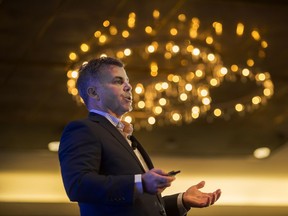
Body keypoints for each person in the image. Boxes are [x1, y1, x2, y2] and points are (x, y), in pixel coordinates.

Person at [58, 56, 221, 216]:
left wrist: (182, 201)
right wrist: (140, 182)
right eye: (118, 81)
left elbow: (142, 207)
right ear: (94, 93)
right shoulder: (84, 129)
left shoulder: (124, 135)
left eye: (127, 81)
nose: (129, 87)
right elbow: (78, 185)